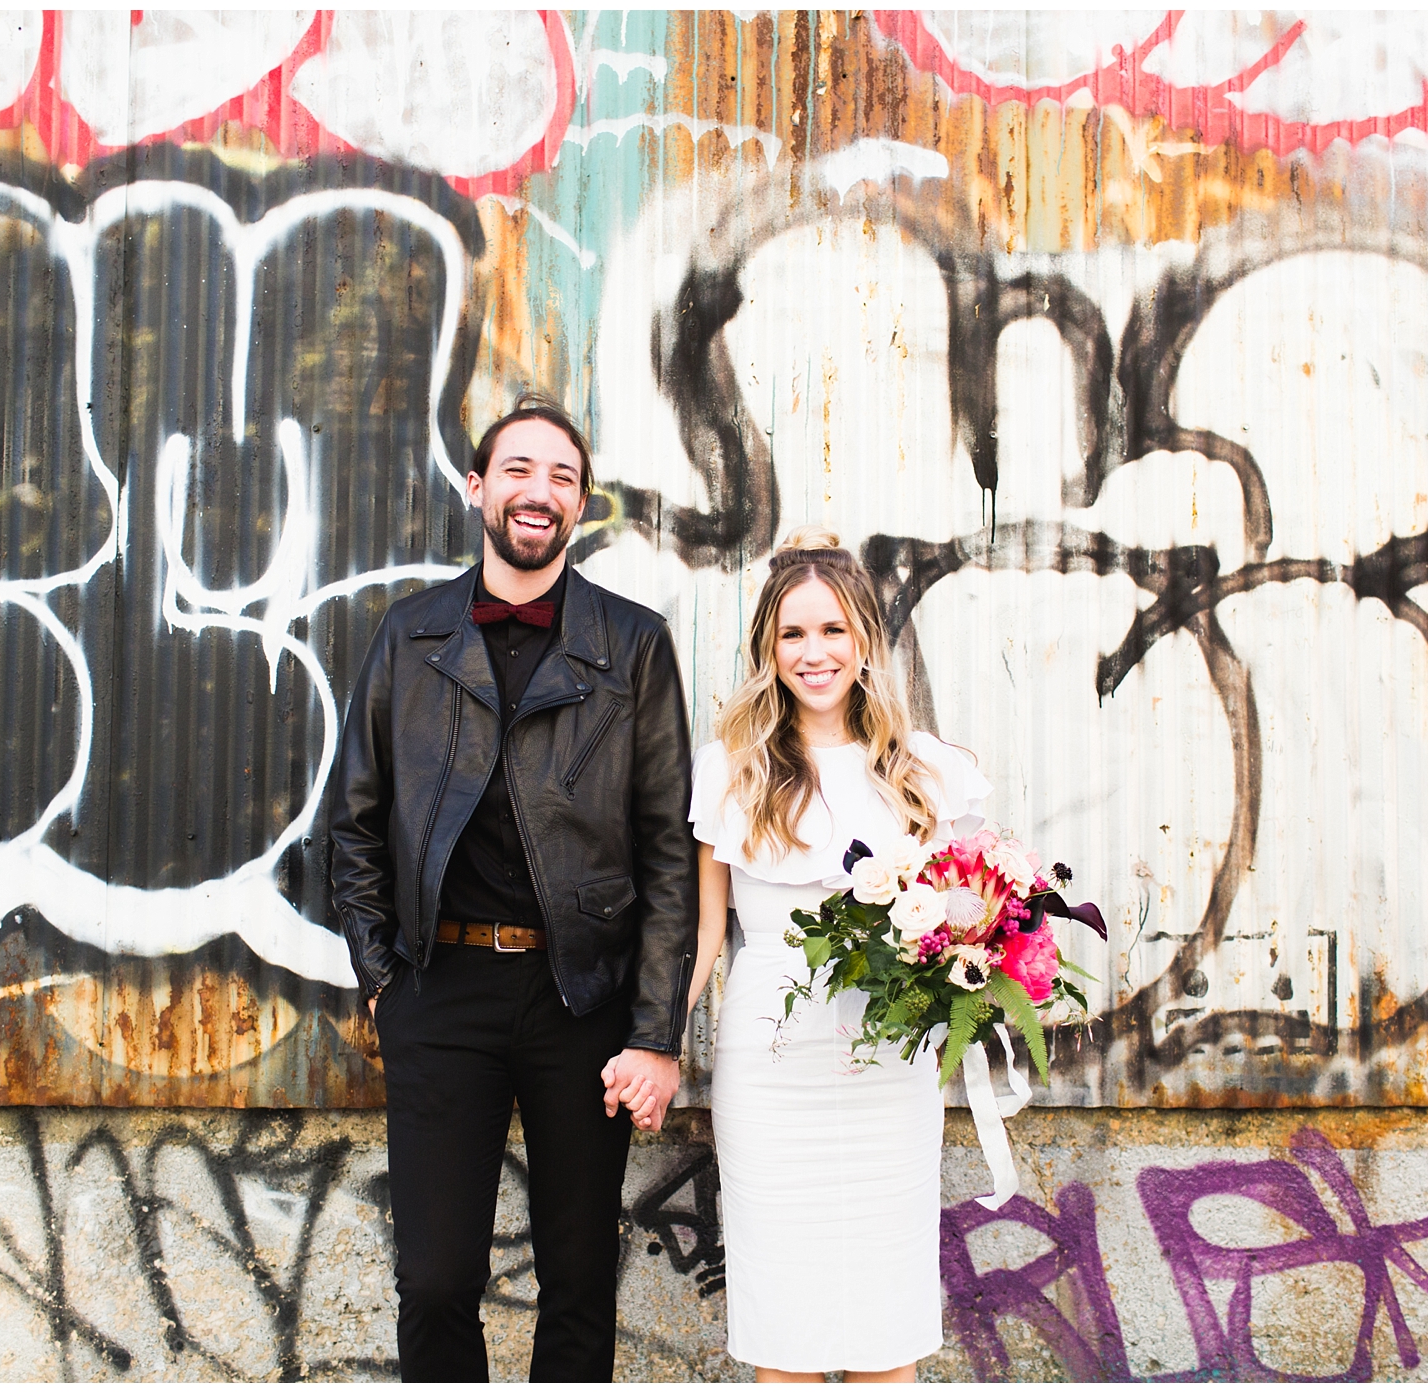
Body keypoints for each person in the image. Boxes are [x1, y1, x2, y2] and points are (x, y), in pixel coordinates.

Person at [328, 391, 696, 1382]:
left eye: (563, 477)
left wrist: (655, 1031)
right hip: (440, 991)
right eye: (521, 470)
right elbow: (353, 822)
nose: (541, 492)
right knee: (438, 1279)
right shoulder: (409, 639)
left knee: (578, 1279)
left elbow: (669, 852)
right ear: (478, 486)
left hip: (583, 999)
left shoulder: (633, 647)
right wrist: (382, 980)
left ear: (581, 504)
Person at [683, 526, 990, 1382]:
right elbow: (708, 932)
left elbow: (969, 914)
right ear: (767, 648)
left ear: (864, 640)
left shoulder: (925, 769)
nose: (813, 652)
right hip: (771, 1062)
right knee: (782, 1308)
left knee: (885, 1308)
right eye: (792, 633)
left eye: (832, 631)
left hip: (889, 1061)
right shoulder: (732, 768)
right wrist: (656, 1041)